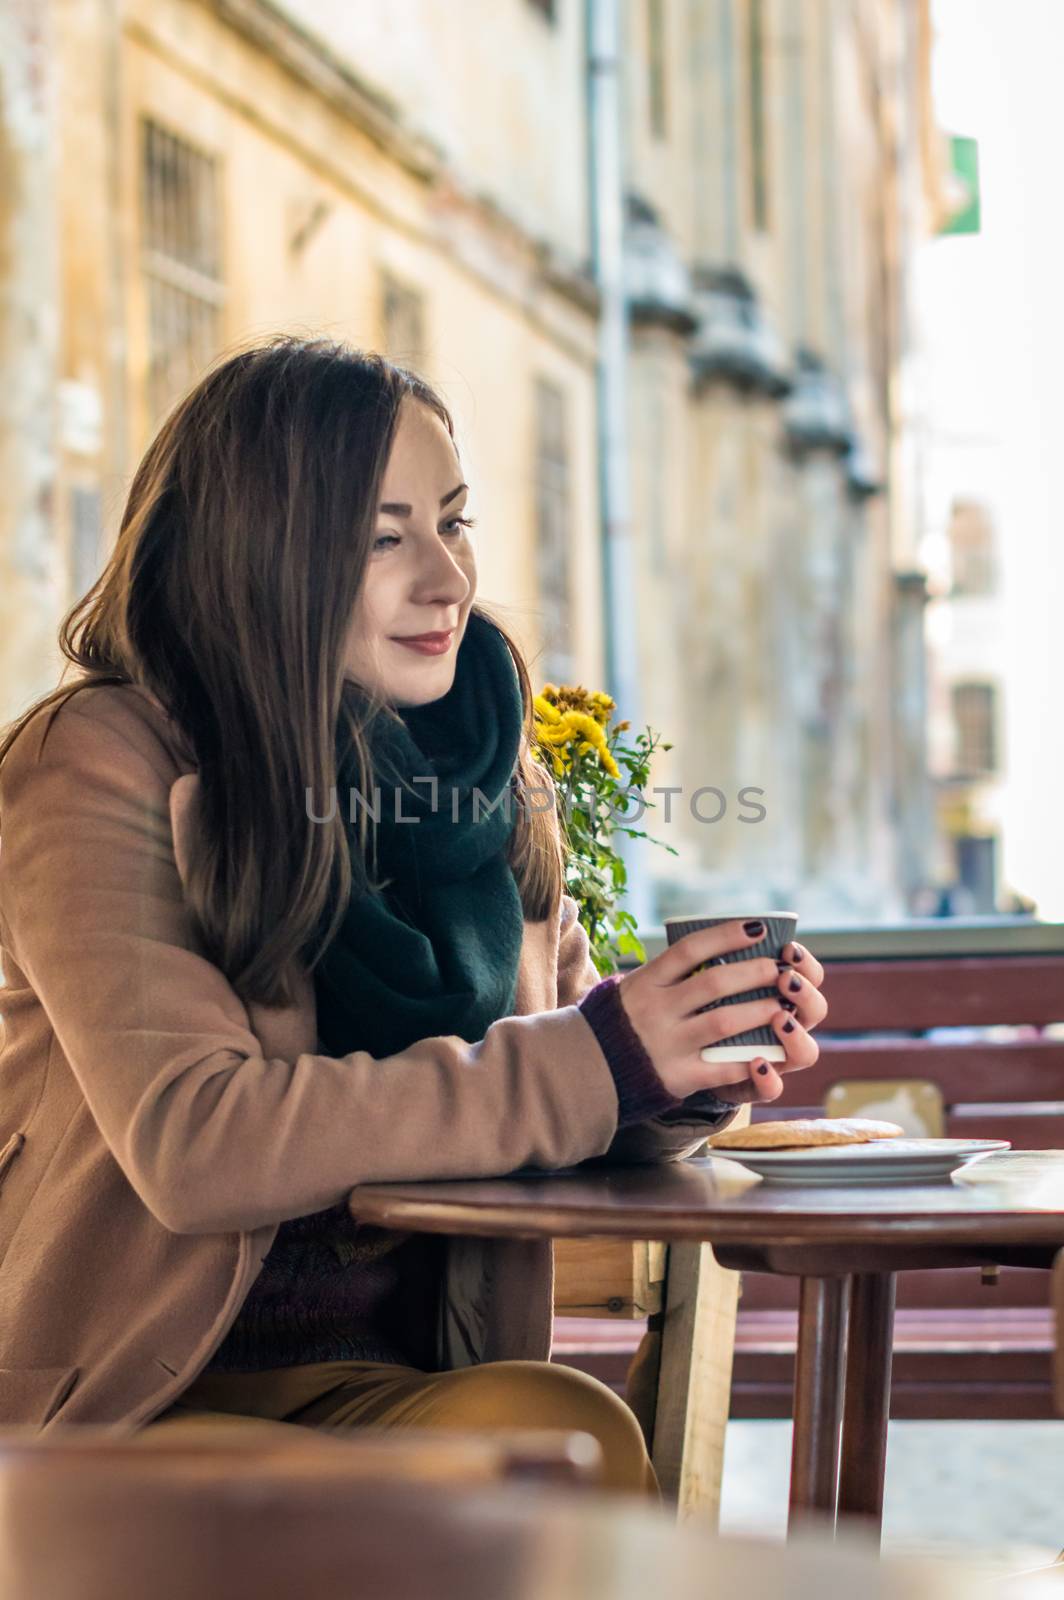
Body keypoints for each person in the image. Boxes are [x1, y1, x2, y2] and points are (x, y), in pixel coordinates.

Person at [0, 338, 827, 1495]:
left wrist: (669, 1077)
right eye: (382, 537)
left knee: (562, 1437)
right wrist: (599, 1057)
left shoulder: (480, 769)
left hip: (383, 1386)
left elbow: (552, 1081)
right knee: (538, 1464)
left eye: (454, 521)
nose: (445, 578)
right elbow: (195, 1140)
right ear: (258, 553)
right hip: (120, 1404)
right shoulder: (98, 762)